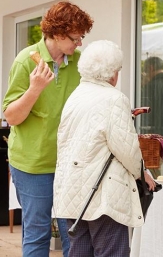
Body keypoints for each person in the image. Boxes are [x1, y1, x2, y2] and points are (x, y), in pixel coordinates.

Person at [2, 1, 94, 257]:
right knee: (37, 232)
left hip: (71, 164)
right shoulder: (25, 61)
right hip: (32, 163)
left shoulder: (80, 63)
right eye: (76, 38)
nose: (80, 44)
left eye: (81, 37)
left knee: (74, 234)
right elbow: (11, 117)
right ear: (58, 33)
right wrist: (35, 89)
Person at [53, 40, 156, 257]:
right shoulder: (114, 99)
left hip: (73, 189)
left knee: (79, 250)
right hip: (102, 193)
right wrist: (143, 172)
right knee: (111, 251)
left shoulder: (76, 96)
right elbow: (126, 149)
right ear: (112, 73)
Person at [141, 56, 163, 152]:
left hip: (155, 140)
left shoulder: (149, 88)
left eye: (145, 71)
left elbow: (144, 115)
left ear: (151, 68)